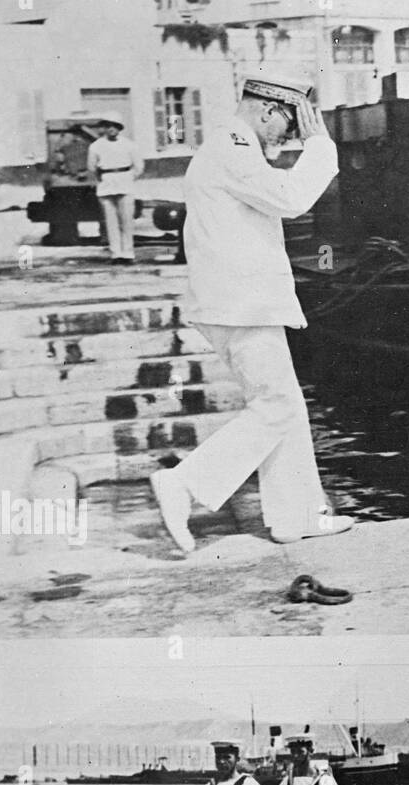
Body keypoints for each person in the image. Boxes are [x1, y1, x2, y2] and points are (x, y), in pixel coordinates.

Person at [150, 70, 353, 554]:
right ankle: (185, 484)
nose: (290, 134)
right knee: (277, 407)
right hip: (240, 304)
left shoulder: (234, 147)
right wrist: (321, 146)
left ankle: (296, 517)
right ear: (266, 109)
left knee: (285, 407)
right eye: (289, 122)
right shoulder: (233, 147)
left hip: (241, 301)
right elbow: (289, 198)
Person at [86, 112, 143, 264]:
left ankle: (128, 253)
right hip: (106, 185)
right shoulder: (96, 146)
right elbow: (92, 167)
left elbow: (138, 167)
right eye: (108, 126)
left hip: (125, 184)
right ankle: (116, 254)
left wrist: (127, 178)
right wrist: (104, 178)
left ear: (119, 128)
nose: (111, 129)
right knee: (111, 222)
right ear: (104, 128)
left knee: (127, 221)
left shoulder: (130, 145)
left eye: (114, 126)